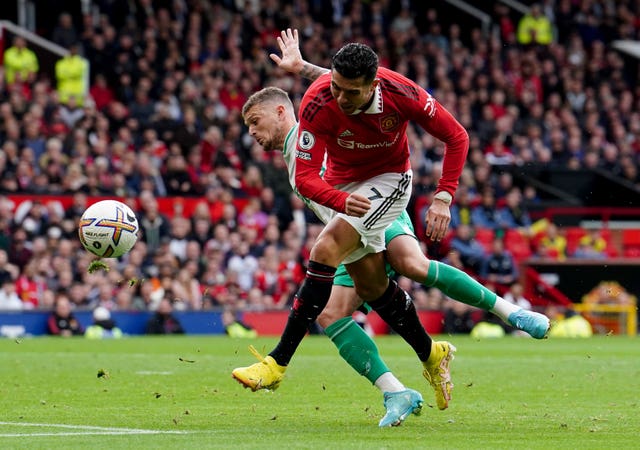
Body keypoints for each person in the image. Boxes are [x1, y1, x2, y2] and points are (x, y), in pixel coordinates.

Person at [233, 29, 549, 425]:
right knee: (346, 305)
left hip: (385, 187)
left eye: (255, 122)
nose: (251, 133)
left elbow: (455, 135)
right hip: (349, 204)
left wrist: (444, 196)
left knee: (399, 261)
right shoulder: (318, 105)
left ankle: (277, 363)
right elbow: (333, 92)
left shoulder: (396, 93)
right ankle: (404, 384)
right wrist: (303, 70)